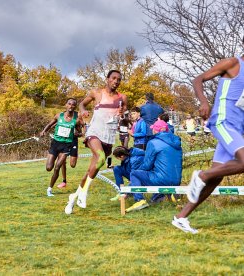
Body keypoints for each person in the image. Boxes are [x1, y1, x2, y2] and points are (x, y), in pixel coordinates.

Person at [172, 45, 244, 234]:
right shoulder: (233, 63)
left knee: (216, 175)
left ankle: (181, 217)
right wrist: (203, 102)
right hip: (223, 122)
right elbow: (198, 79)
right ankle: (201, 175)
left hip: (236, 129)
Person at [65, 70, 127, 214]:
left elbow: (123, 114)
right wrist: (84, 111)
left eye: (119, 79)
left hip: (109, 136)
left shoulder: (122, 97)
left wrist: (122, 114)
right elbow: (81, 105)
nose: (116, 81)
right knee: (101, 158)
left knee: (91, 170)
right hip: (94, 132)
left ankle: (73, 198)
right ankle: (84, 193)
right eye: (113, 78)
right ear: (107, 79)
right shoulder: (96, 93)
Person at [125, 119, 183, 212]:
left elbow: (147, 165)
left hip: (162, 179)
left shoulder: (153, 142)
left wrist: (137, 178)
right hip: (176, 180)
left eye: (153, 129)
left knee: (135, 174)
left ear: (156, 130)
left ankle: (140, 200)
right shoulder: (177, 142)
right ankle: (172, 197)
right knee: (153, 201)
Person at [40, 98, 84, 197]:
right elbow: (50, 124)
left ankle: (49, 189)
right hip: (55, 144)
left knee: (57, 167)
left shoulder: (76, 120)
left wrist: (79, 134)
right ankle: (56, 182)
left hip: (66, 146)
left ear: (74, 107)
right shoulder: (58, 116)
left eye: (73, 105)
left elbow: (82, 130)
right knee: (49, 168)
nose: (71, 106)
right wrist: (44, 131)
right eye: (69, 104)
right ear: (66, 105)